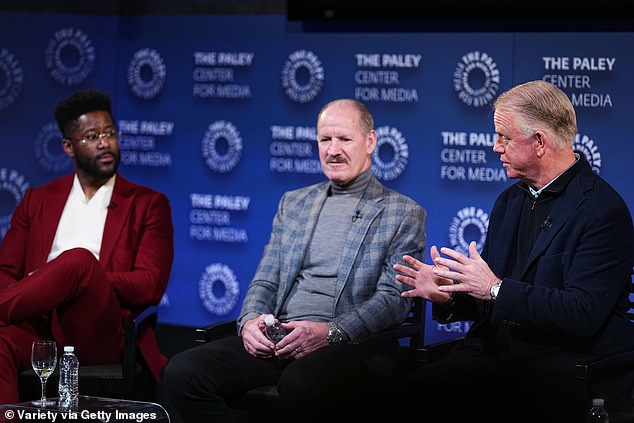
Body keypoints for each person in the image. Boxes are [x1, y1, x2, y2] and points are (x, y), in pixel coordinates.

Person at [161, 98, 427, 422]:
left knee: (301, 382)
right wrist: (249, 323)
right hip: (280, 338)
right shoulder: (295, 203)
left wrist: (330, 332)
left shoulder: (403, 212)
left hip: (348, 346)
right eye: (325, 140)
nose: (332, 150)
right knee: (182, 373)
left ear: (370, 141)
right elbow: (265, 279)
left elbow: (392, 300)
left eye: (344, 139)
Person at [393, 80, 634, 422]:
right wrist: (449, 296)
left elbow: (582, 313)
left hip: (562, 361)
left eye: (504, 137)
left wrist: (494, 288)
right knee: (408, 394)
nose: (495, 147)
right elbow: (490, 298)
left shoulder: (602, 210)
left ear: (539, 142)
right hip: (494, 352)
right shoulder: (509, 201)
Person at [0, 89, 174, 403]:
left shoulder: (148, 204)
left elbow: (151, 284)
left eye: (110, 133)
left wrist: (75, 281)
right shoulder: (37, 200)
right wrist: (44, 288)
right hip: (38, 326)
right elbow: (5, 271)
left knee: (78, 260)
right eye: (92, 136)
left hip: (100, 330)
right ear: (68, 146)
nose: (105, 143)